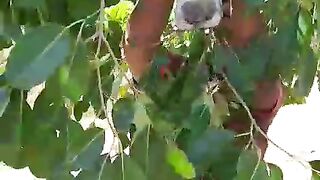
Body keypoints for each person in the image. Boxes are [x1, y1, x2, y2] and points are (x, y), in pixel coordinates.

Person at [123, 0, 284, 158]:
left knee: (140, 52)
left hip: (183, 106)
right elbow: (253, 147)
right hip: (244, 106)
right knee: (250, 54)